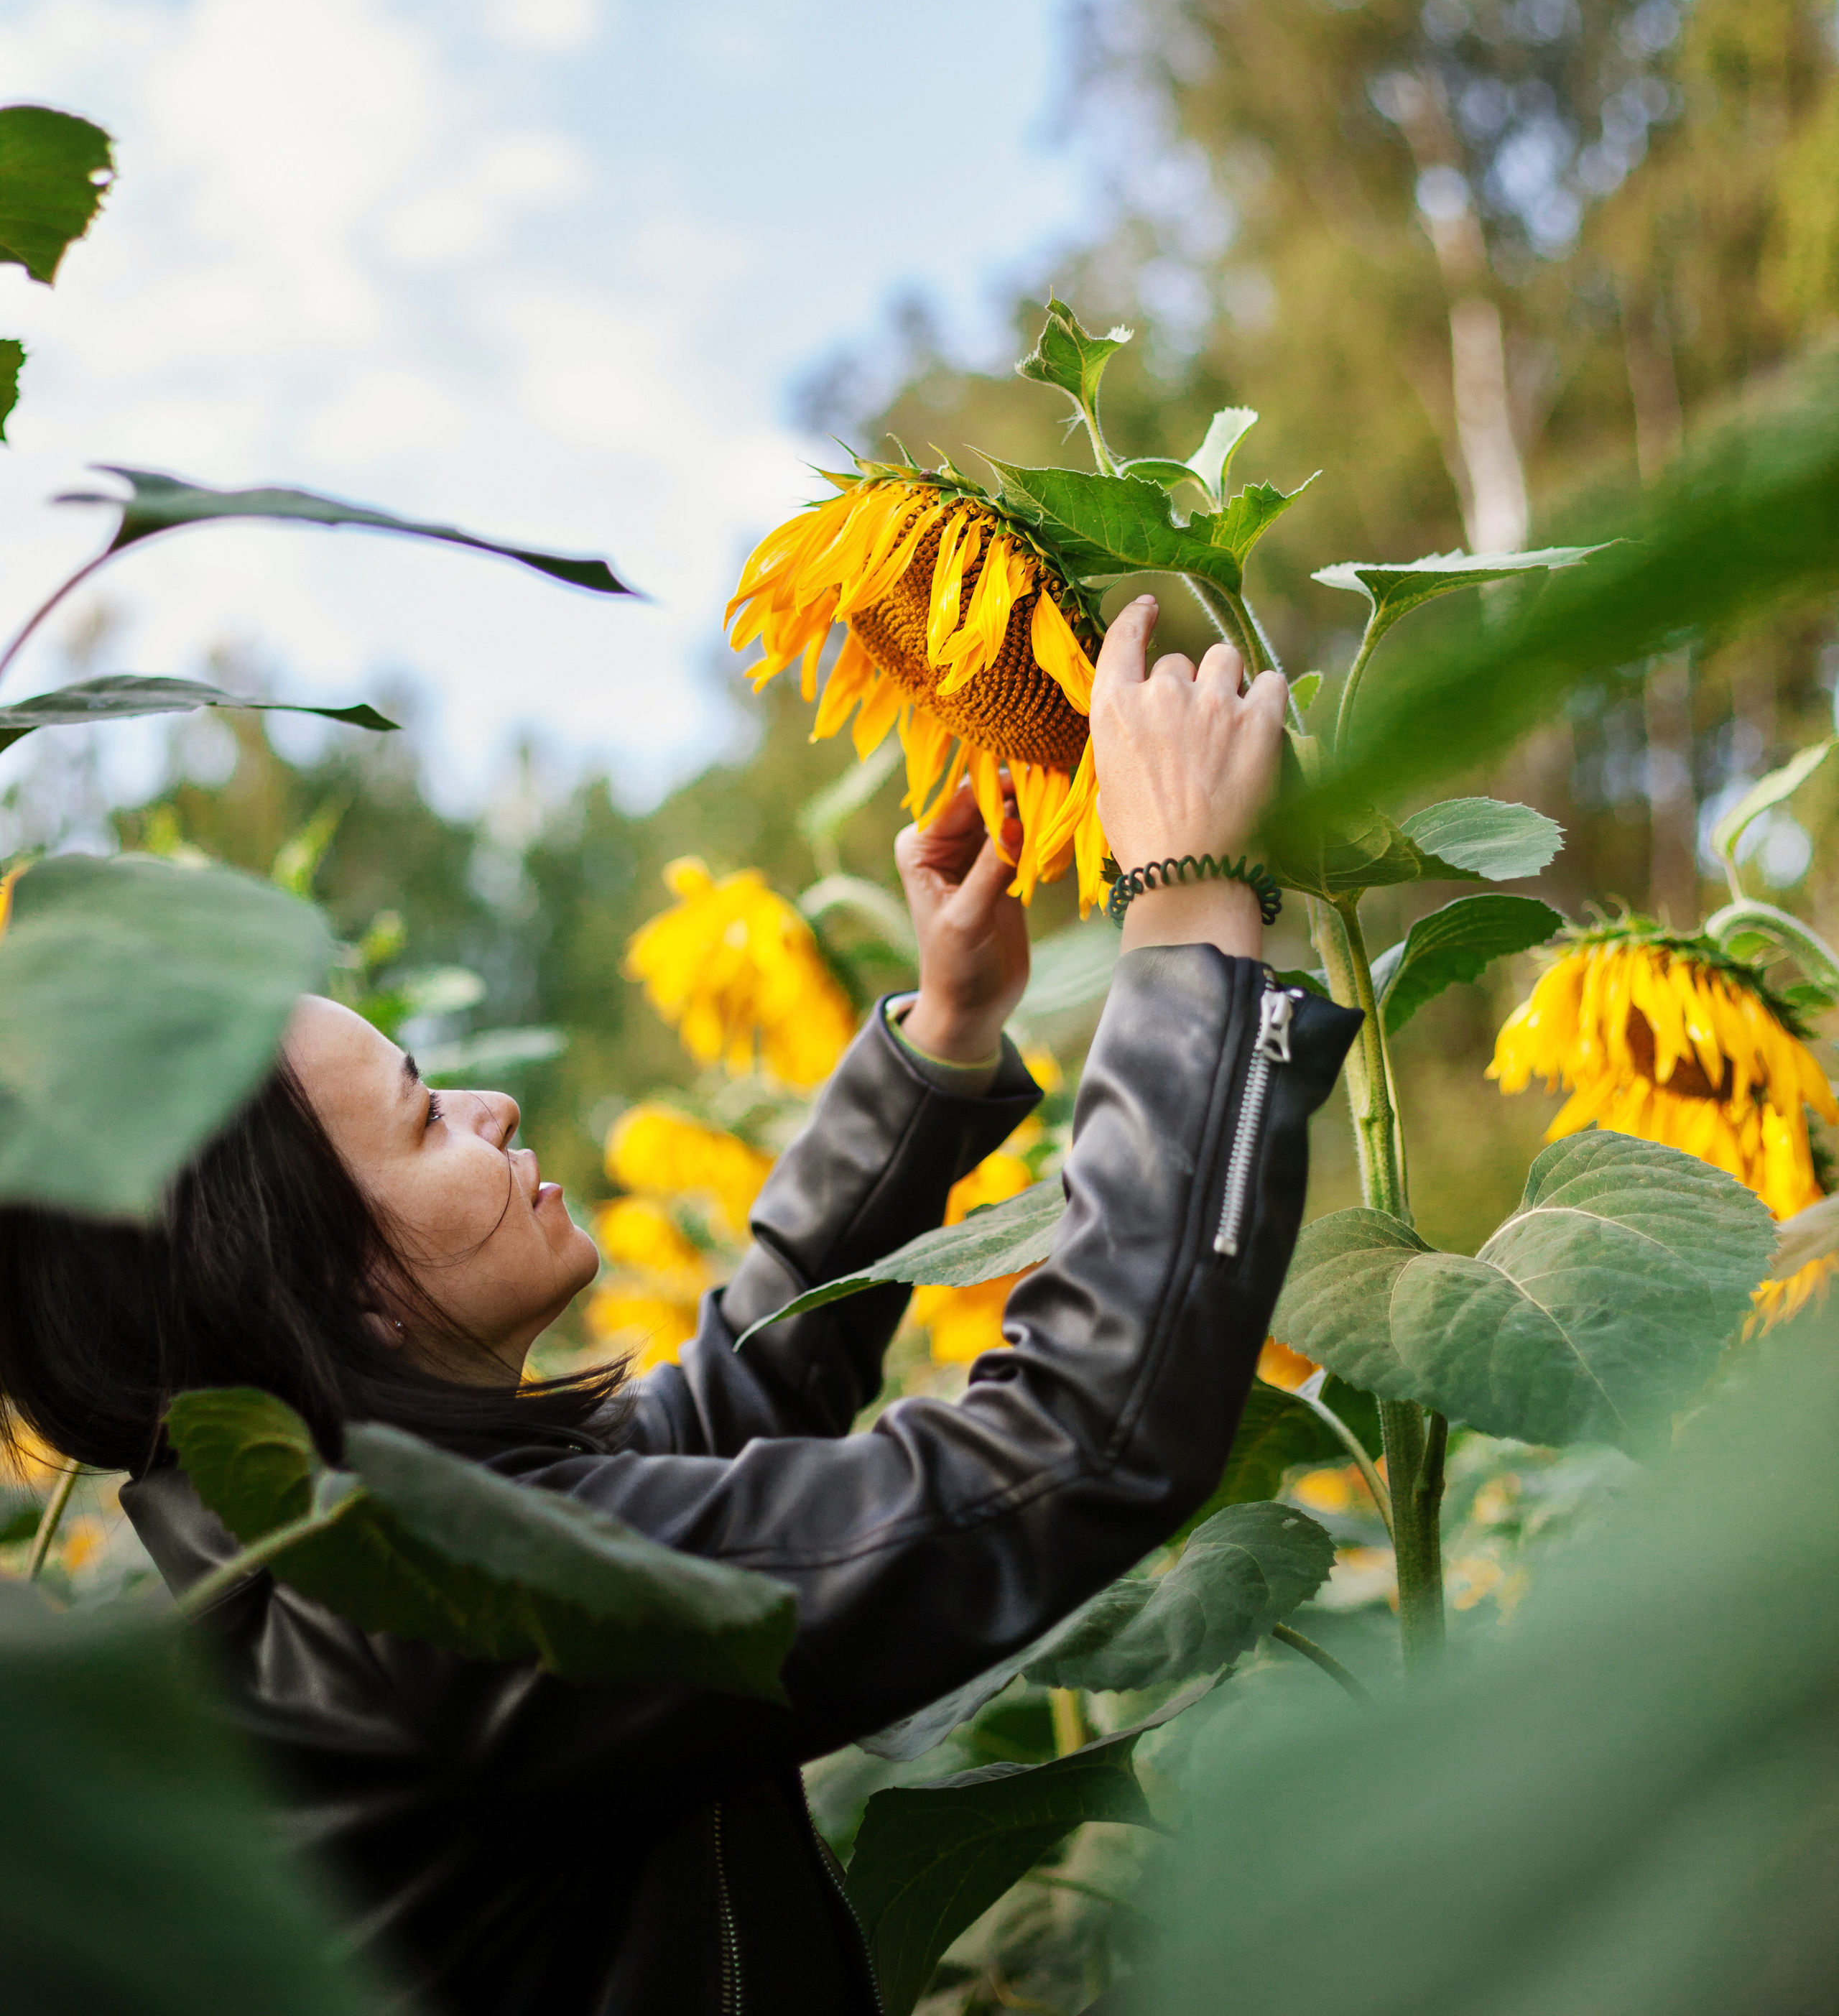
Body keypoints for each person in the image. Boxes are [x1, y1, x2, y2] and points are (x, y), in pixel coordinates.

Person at [0, 597, 1360, 2016]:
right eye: (421, 1117)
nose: (492, 1105)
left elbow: (709, 1423)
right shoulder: (439, 1616)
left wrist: (939, 1044)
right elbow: (1069, 1447)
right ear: (326, 1289)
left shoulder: (354, 1554)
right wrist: (1191, 903)